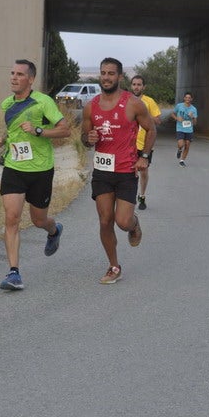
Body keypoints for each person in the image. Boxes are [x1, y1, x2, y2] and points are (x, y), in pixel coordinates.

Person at [0, 59, 71, 291]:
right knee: (12, 218)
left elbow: (65, 129)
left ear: (31, 79)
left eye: (19, 74)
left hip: (41, 170)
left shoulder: (43, 102)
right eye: (12, 73)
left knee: (38, 220)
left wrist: (38, 130)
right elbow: (12, 130)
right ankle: (14, 272)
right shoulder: (7, 104)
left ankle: (54, 229)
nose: (14, 78)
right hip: (14, 168)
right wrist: (1, 139)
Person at [82, 57, 157, 284]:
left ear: (120, 77)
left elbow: (151, 129)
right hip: (102, 172)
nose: (106, 77)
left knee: (122, 221)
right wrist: (89, 138)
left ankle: (134, 225)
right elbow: (85, 139)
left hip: (126, 171)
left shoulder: (133, 103)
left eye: (111, 73)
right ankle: (114, 266)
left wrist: (144, 157)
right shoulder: (91, 106)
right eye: (103, 73)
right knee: (105, 220)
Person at [130, 75, 161, 210]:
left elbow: (158, 120)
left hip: (145, 144)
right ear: (131, 86)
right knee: (128, 172)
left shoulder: (149, 101)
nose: (136, 87)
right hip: (129, 143)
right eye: (134, 84)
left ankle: (142, 195)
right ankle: (129, 198)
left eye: (139, 84)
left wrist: (144, 115)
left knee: (143, 171)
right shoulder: (127, 101)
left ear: (144, 87)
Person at [171, 91, 198, 167]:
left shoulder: (193, 109)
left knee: (187, 145)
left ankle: (182, 160)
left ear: (191, 99)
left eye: (189, 98)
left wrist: (192, 117)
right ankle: (179, 150)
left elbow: (195, 123)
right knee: (181, 144)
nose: (187, 99)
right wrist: (177, 118)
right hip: (180, 128)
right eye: (186, 97)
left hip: (189, 129)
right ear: (184, 98)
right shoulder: (179, 106)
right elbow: (172, 114)